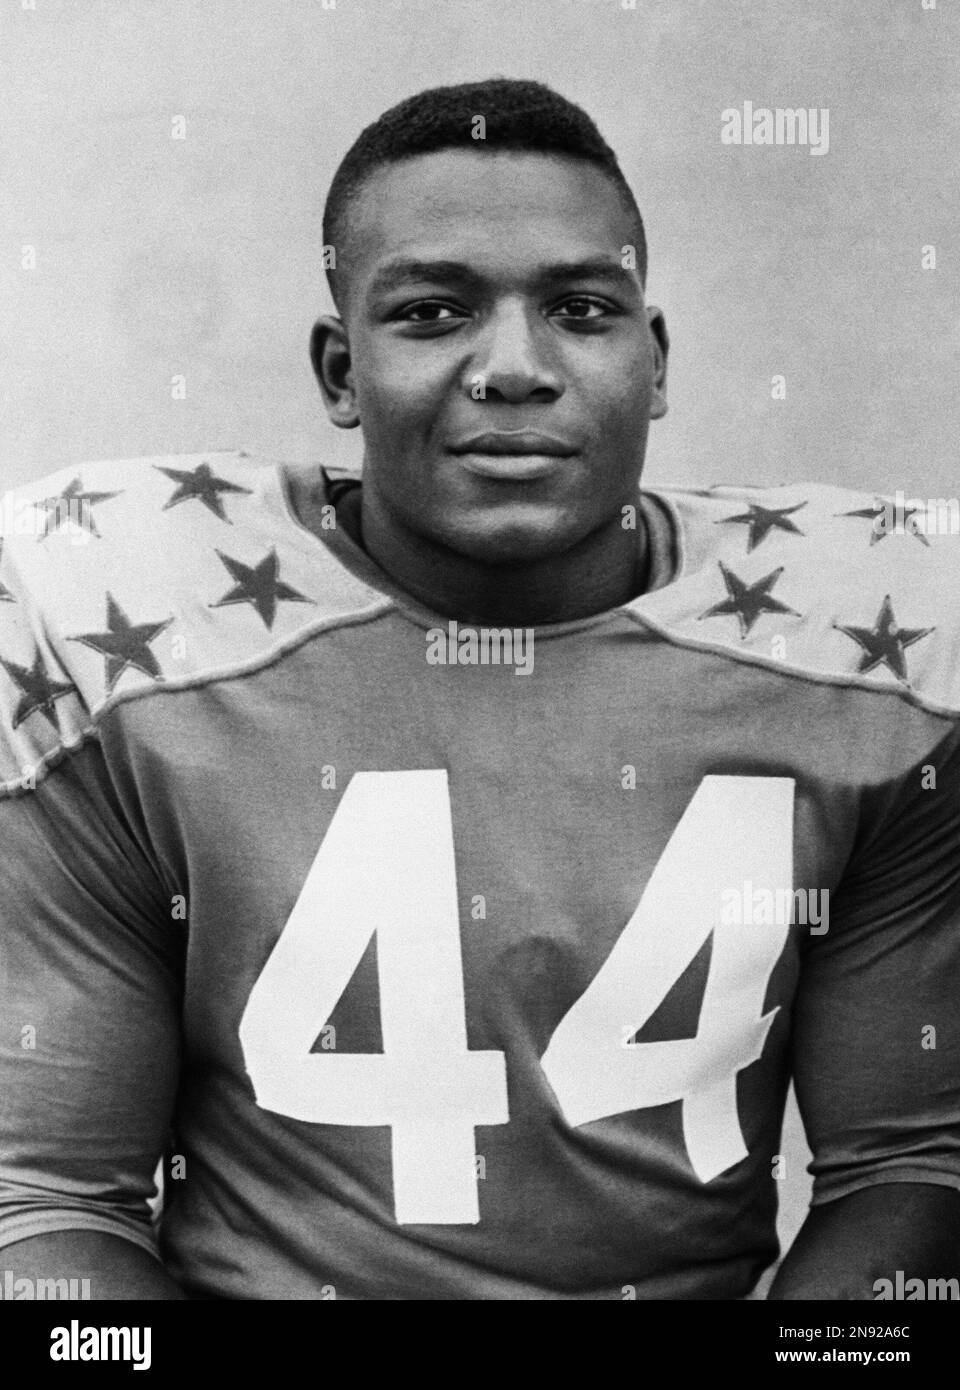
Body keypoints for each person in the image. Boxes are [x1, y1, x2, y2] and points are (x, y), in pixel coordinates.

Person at [1, 78, 959, 1302]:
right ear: (341, 371)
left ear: (652, 361)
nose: (514, 368)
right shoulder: (126, 638)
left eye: (579, 308)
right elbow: (46, 1199)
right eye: (435, 311)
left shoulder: (868, 668)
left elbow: (909, 1168)